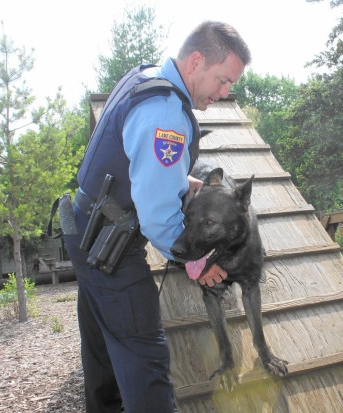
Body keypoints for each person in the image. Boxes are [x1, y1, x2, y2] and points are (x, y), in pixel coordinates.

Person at [63, 21, 251, 413]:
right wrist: (196, 264)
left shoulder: (144, 77)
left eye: (230, 84)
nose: (225, 92)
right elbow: (159, 217)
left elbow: (137, 161)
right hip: (110, 246)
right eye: (222, 80)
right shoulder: (166, 114)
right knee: (144, 359)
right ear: (196, 60)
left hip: (84, 229)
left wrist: (183, 181)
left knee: (103, 352)